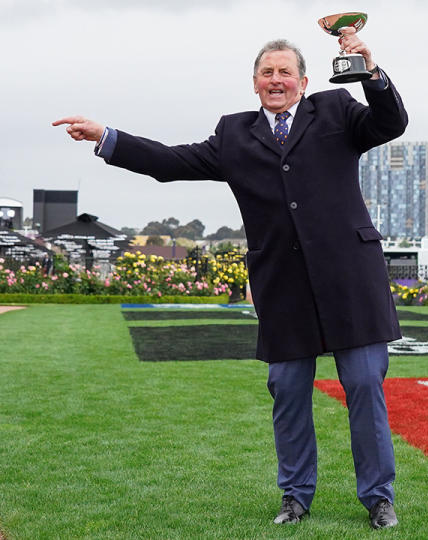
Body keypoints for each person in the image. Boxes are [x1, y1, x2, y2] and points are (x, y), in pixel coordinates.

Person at [53, 28, 406, 529]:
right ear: (255, 83)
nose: (276, 80)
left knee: (365, 385)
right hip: (283, 285)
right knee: (287, 391)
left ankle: (378, 498)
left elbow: (390, 122)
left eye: (286, 72)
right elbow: (170, 163)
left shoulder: (337, 110)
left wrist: (370, 71)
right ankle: (295, 495)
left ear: (304, 82)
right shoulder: (234, 134)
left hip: (352, 278)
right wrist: (107, 136)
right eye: (268, 73)